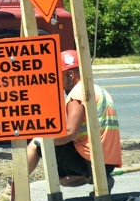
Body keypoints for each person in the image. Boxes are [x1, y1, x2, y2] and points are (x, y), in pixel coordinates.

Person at [25, 49, 122, 190]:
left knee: (36, 143)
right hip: (108, 162)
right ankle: (100, 179)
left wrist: (43, 140)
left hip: (90, 159)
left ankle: (13, 188)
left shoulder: (77, 93)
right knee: (63, 180)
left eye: (60, 76)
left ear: (71, 74)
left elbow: (70, 133)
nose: (58, 82)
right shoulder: (98, 90)